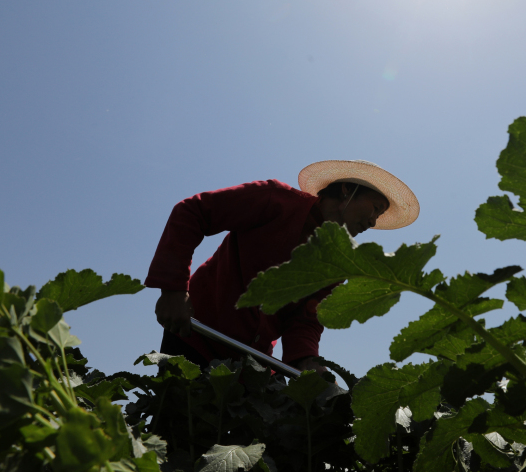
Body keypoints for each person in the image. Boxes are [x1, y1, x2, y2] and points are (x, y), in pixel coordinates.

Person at [146, 159, 419, 374]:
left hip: (251, 363)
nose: (373, 222)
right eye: (375, 208)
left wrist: (308, 361)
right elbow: (193, 212)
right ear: (348, 189)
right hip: (195, 334)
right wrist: (173, 290)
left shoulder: (336, 261)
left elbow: (305, 320)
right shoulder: (275, 199)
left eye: (379, 214)